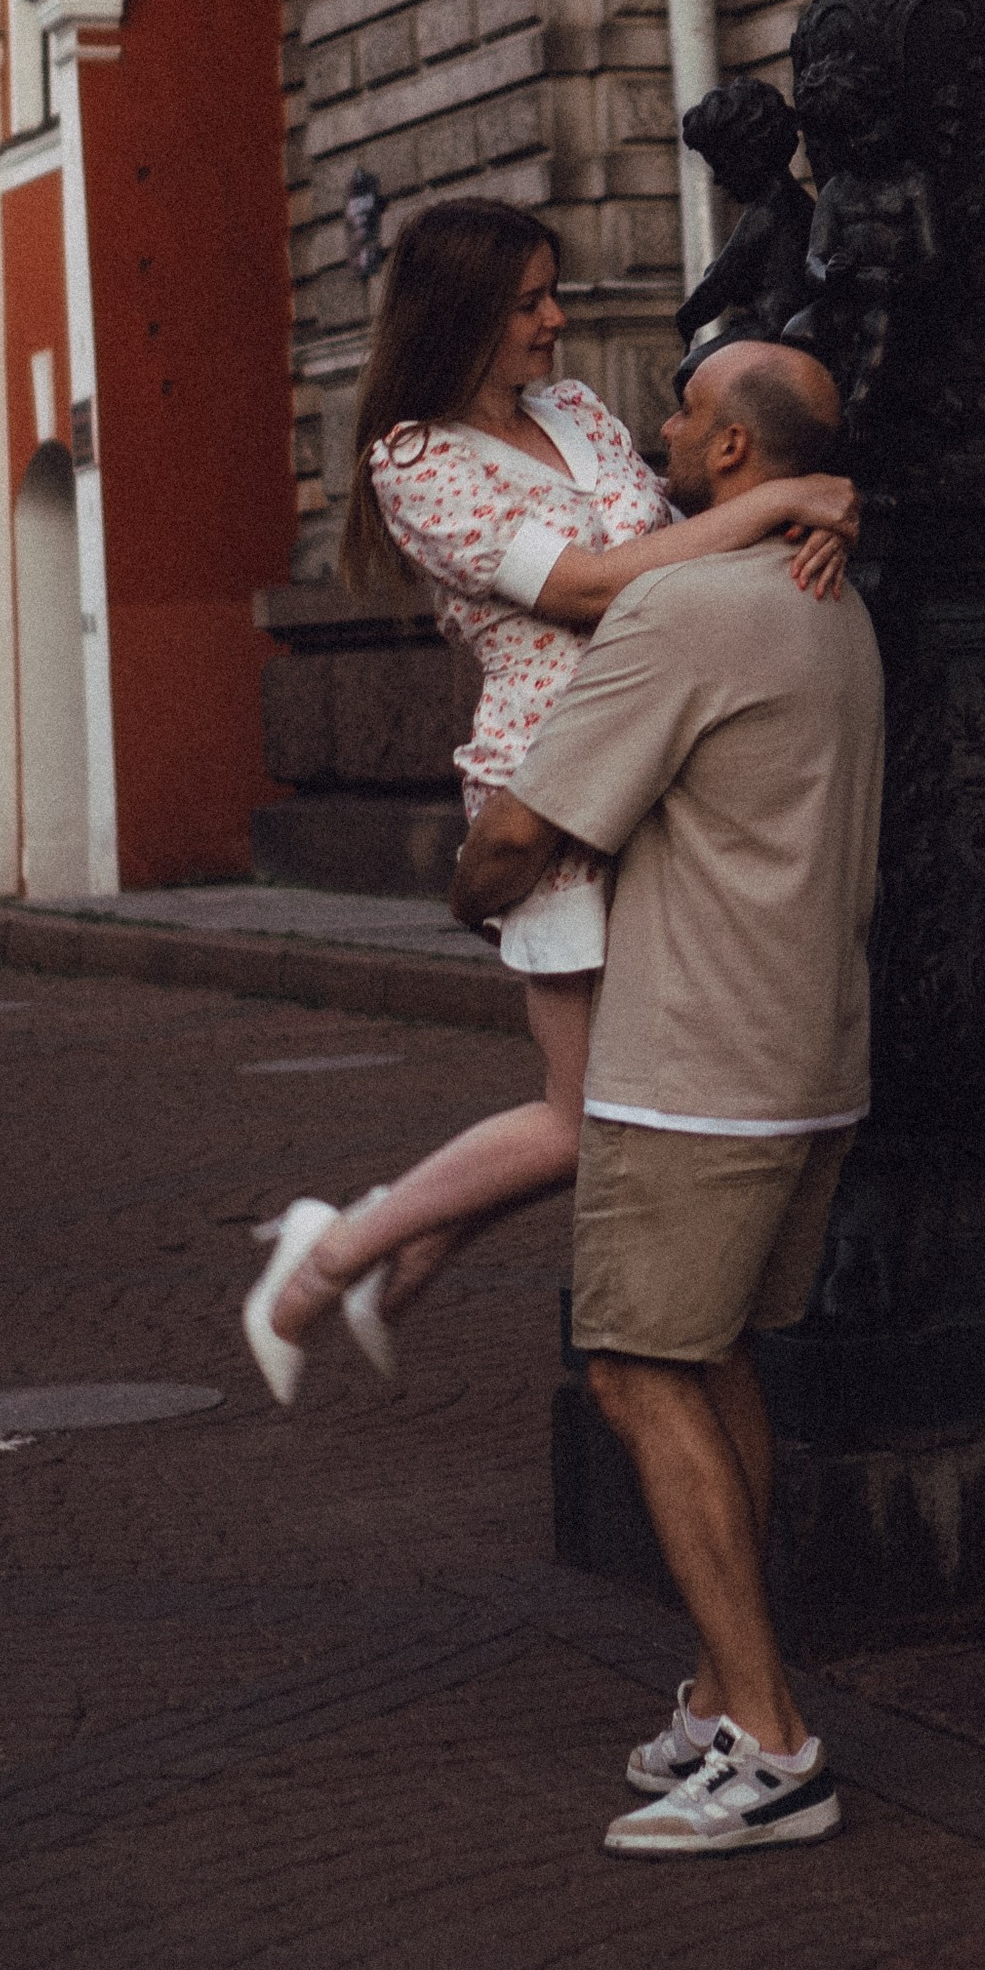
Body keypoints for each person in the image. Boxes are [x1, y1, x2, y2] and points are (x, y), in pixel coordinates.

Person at [243, 204, 859, 1405]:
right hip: (555, 789)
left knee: (610, 1101)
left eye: (550, 294)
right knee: (585, 1119)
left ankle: (382, 1248)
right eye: (529, 301)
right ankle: (322, 1265)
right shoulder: (414, 464)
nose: (554, 319)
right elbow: (580, 588)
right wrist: (782, 506)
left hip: (668, 766)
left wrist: (813, 525)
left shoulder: (574, 413)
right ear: (462, 313)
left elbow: (677, 546)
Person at [451, 337, 886, 1858]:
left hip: (693, 1066)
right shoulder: (832, 604)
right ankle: (720, 1691)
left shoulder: (681, 609)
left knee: (636, 1371)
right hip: (811, 1056)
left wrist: (470, 894)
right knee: (715, 1364)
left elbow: (527, 830)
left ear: (725, 462)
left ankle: (772, 1744)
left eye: (685, 413)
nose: (656, 423)